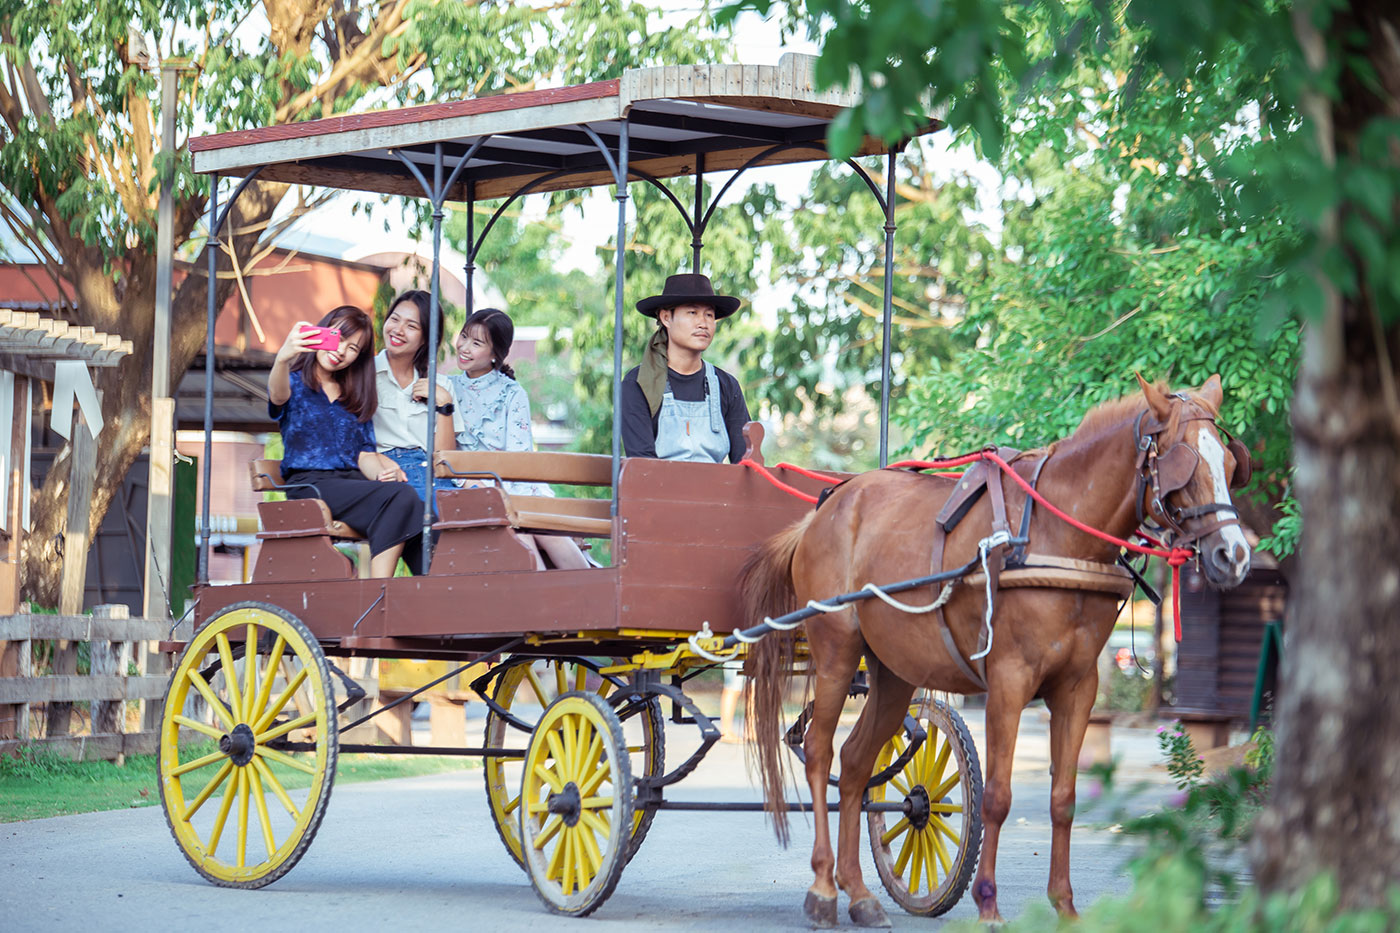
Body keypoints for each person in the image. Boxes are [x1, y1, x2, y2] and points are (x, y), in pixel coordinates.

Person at [268, 305, 421, 578]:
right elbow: (278, 396)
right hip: (309, 486)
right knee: (402, 499)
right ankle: (380, 590)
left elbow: (365, 454)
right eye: (337, 338)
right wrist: (282, 358)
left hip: (350, 485)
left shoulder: (354, 396)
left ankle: (431, 591)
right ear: (321, 332)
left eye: (353, 349)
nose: (340, 351)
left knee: (414, 507)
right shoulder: (293, 383)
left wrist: (384, 474)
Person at [450, 308, 590, 570]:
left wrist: (515, 502)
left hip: (514, 485)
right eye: (464, 336)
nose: (465, 347)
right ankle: (543, 598)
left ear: (495, 354)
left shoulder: (511, 393)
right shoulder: (447, 388)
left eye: (477, 343)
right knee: (522, 529)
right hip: (470, 486)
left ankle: (590, 590)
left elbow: (519, 458)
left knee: (538, 527)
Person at [620, 273, 752, 463]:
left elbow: (745, 461)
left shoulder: (727, 386)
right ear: (666, 317)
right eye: (692, 313)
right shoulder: (639, 382)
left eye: (709, 315)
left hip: (717, 491)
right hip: (657, 490)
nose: (703, 323)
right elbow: (642, 465)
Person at [372, 289, 464, 509]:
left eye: (411, 326)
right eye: (394, 319)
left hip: (433, 473)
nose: (398, 330)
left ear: (426, 339)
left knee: (476, 511)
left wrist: (443, 403)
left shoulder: (441, 385)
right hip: (388, 472)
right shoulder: (363, 374)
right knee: (447, 516)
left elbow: (444, 458)